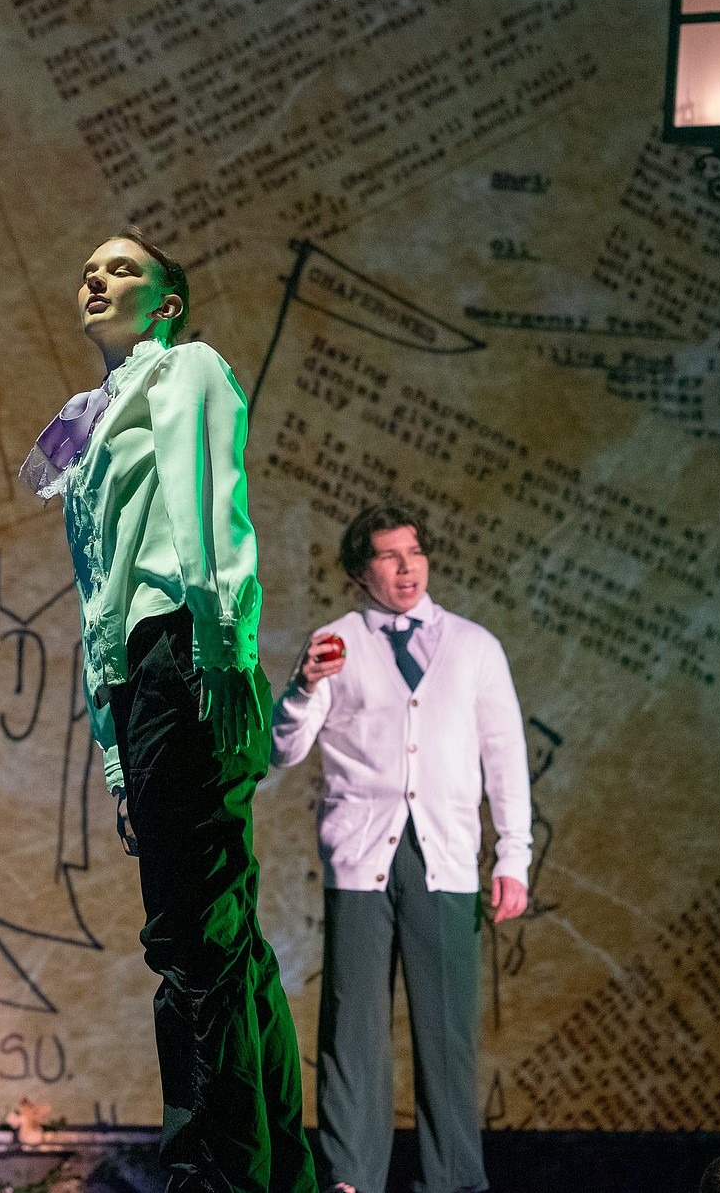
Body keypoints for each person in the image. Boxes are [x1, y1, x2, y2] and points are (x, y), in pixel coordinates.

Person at [22, 228, 315, 1193]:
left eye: (123, 269)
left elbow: (206, 501)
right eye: (89, 267)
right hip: (140, 675)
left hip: (185, 652)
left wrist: (224, 645)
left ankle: (211, 1171)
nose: (96, 277)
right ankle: (275, 1168)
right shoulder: (83, 418)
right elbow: (92, 583)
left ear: (168, 302)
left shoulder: (185, 369)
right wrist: (111, 748)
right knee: (221, 932)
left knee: (191, 938)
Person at [269, 504, 535, 1193]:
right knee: (352, 1031)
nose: (405, 566)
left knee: (447, 1032)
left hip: (444, 858)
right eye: (388, 556)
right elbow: (283, 749)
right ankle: (349, 1178)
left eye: (413, 552)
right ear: (361, 571)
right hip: (361, 859)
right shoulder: (335, 640)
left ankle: (452, 1181)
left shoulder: (474, 646)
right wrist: (302, 687)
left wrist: (512, 855)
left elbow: (504, 757)